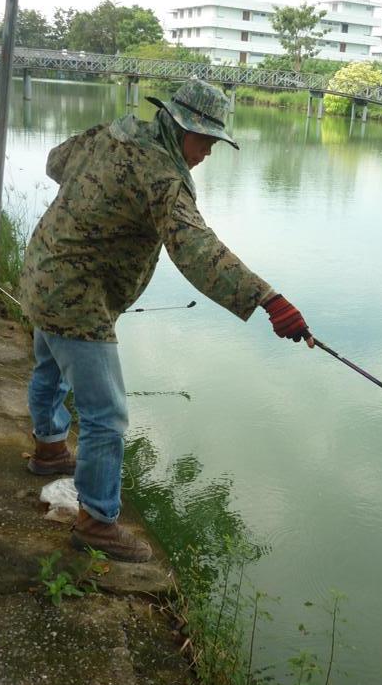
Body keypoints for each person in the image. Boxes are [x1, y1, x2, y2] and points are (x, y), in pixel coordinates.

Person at [20, 78, 314, 563]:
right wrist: (268, 299)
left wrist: (102, 200)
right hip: (77, 297)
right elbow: (198, 251)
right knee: (106, 415)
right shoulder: (162, 175)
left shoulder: (112, 134)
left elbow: (57, 161)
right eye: (207, 140)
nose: (209, 152)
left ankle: (50, 450)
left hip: (43, 270)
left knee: (49, 370)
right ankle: (96, 522)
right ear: (181, 127)